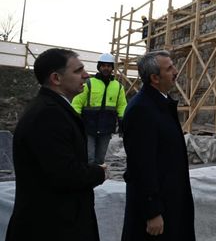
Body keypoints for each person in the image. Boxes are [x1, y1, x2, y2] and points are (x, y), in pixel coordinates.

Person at [6, 48, 107, 241]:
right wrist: (99, 172)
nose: (86, 75)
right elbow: (64, 174)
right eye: (78, 71)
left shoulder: (53, 109)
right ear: (56, 78)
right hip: (51, 227)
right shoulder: (48, 114)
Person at [121, 50, 195, 240]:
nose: (176, 71)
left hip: (171, 199)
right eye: (169, 68)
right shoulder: (141, 110)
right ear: (155, 77)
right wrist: (152, 211)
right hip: (158, 209)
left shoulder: (160, 103)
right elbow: (141, 165)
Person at [72, 52, 127, 165]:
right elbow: (77, 103)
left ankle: (95, 180)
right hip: (88, 127)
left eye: (108, 66)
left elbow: (122, 106)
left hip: (106, 128)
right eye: (103, 65)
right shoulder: (89, 84)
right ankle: (86, 181)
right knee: (89, 158)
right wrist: (74, 121)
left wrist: (123, 123)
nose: (106, 68)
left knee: (100, 160)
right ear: (99, 67)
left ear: (112, 68)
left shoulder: (118, 87)